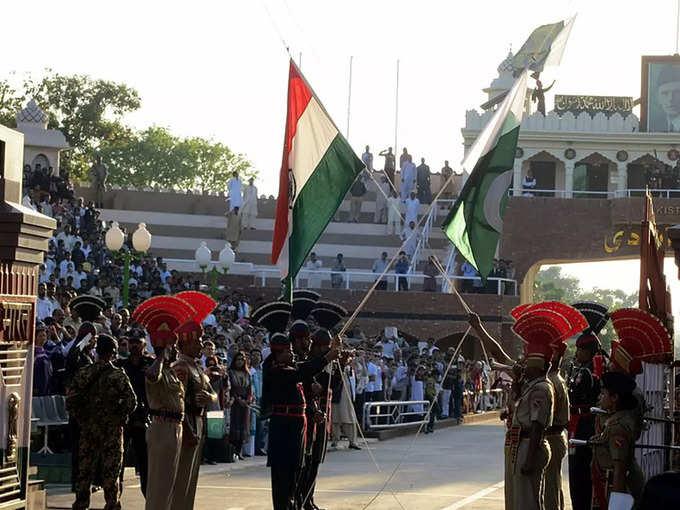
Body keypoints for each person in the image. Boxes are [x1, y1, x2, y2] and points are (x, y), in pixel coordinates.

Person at [253, 301, 341, 510]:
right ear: (277, 353)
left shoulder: (290, 368)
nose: (292, 354)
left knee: (294, 476)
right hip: (284, 430)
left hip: (296, 430)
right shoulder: (278, 371)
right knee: (283, 480)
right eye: (287, 351)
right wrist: (328, 356)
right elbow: (304, 371)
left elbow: (305, 381)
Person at [131, 296, 193, 510]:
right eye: (173, 346)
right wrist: (162, 355)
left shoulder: (172, 372)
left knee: (170, 482)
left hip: (175, 427)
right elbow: (150, 376)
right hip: (161, 427)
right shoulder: (154, 368)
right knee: (159, 482)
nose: (177, 350)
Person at [66, 334, 137, 510]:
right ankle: (111, 504)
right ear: (113, 353)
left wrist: (83, 418)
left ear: (97, 351)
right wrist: (118, 416)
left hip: (88, 429)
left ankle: (81, 503)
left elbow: (71, 401)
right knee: (111, 471)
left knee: (85, 470)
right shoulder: (118, 376)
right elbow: (131, 402)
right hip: (112, 429)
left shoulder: (84, 373)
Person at [170, 292, 219, 510]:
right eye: (198, 342)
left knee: (192, 477)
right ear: (187, 343)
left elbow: (213, 393)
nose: (201, 346)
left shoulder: (197, 367)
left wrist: (209, 397)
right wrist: (188, 430)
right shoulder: (181, 367)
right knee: (181, 476)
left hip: (198, 420)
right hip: (186, 422)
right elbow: (177, 400)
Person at [568, 301, 608, 510]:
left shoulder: (586, 372)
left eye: (580, 349)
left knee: (579, 471)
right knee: (581, 471)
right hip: (583, 422)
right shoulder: (591, 368)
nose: (577, 353)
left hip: (584, 424)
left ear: (588, 350)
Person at [589, 372, 643, 510]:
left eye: (603, 394)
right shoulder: (616, 419)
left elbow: (619, 469)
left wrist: (617, 504)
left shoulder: (617, 427)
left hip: (622, 486)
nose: (600, 398)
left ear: (614, 398)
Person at [116, 330, 154, 497]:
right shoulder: (121, 365)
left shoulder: (151, 364)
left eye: (138, 342)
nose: (134, 346)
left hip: (143, 417)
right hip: (124, 417)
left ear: (144, 344)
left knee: (144, 460)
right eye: (132, 342)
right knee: (119, 459)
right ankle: (115, 497)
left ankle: (148, 496)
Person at [545, 341, 569, 510]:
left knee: (550, 486)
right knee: (554, 481)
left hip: (552, 436)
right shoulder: (557, 377)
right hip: (557, 436)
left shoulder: (552, 380)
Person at [651, 65, 680, 132]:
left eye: (677, 93)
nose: (670, 99)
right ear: (658, 98)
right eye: (665, 93)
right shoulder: (654, 125)